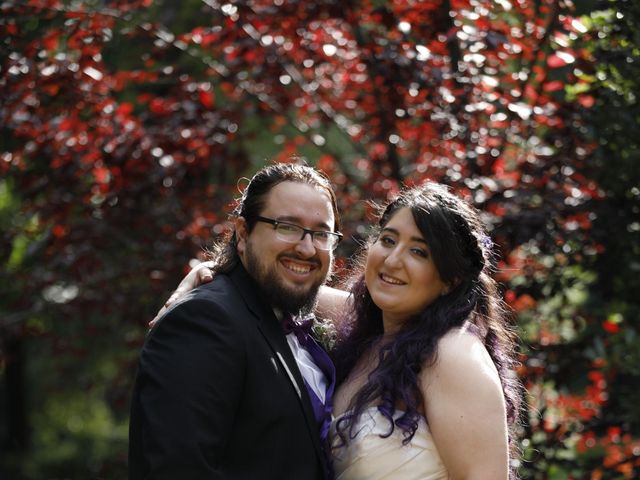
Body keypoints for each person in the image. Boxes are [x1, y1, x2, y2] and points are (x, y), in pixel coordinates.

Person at [157, 181, 522, 479]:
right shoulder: (368, 331)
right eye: (389, 240)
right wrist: (210, 272)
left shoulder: (452, 354)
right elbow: (289, 281)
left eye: (420, 252)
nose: (393, 260)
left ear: (450, 279)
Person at [128, 163, 343, 479]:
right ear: (243, 234)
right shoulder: (203, 321)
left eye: (321, 233)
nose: (307, 247)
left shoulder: (291, 319)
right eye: (287, 227)